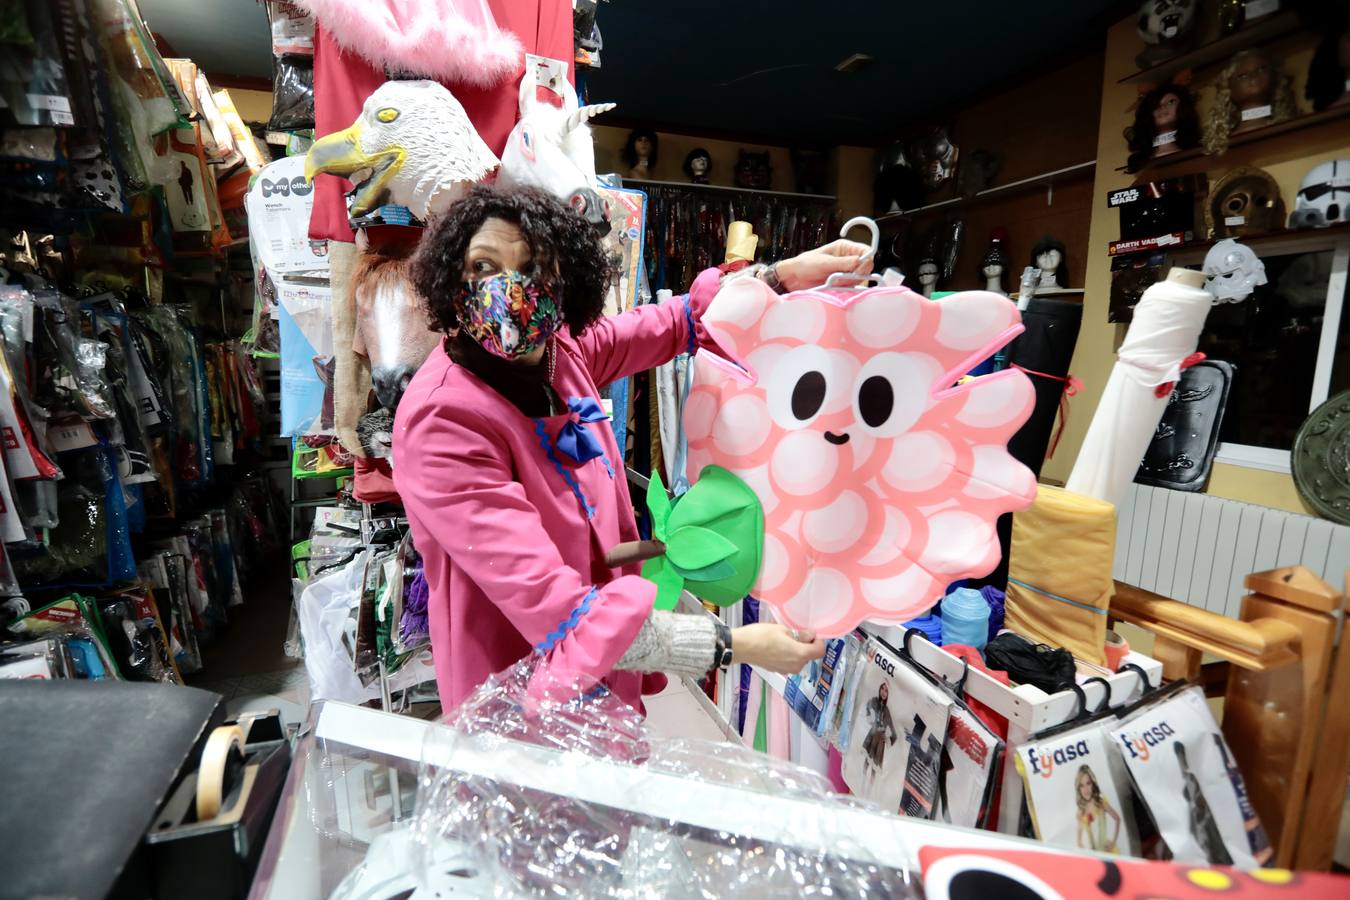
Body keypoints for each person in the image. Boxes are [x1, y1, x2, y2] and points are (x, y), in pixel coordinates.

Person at [393, 184, 873, 712]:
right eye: (483, 266)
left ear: (564, 279)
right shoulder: (442, 423)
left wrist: (778, 277)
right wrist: (730, 645)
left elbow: (678, 322)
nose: (509, 290)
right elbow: (561, 612)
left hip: (607, 683)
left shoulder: (560, 354)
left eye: (533, 267)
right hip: (517, 696)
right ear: (449, 276)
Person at [1074, 764, 1122, 853]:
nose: (1086, 789)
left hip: (1108, 852)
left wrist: (1113, 842)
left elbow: (1117, 819)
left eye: (1088, 783)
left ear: (1093, 783)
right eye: (1082, 785)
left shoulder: (1101, 803)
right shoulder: (1080, 812)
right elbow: (1079, 841)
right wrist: (1083, 849)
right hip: (1093, 855)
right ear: (1079, 788)